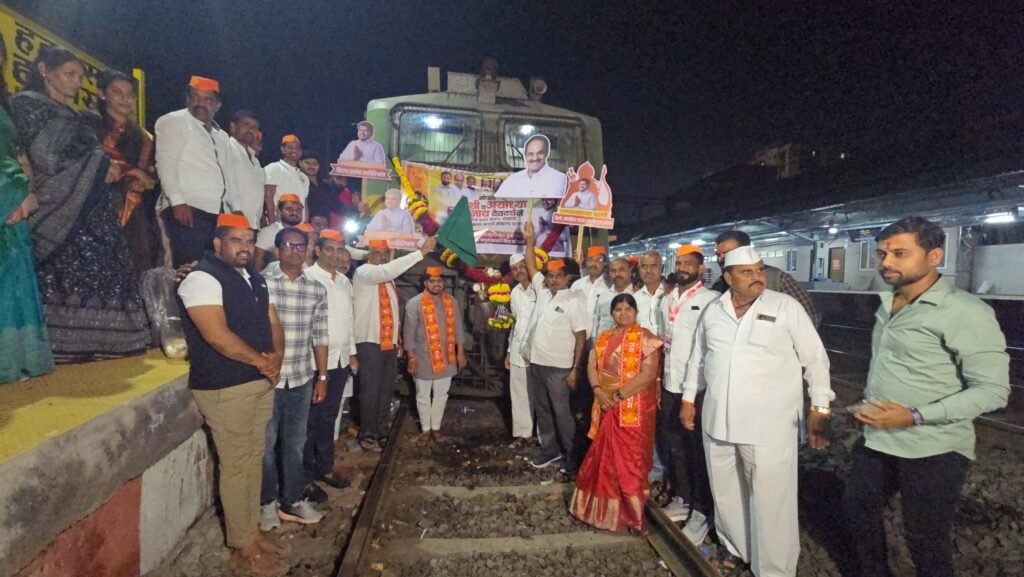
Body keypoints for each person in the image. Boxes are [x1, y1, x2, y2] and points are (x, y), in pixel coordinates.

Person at [843, 217, 1010, 577]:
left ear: (934, 256)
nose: (886, 262)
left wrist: (914, 415)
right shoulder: (889, 302)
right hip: (879, 439)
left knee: (925, 538)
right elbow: (897, 368)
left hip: (934, 448)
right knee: (858, 510)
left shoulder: (964, 312)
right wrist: (864, 403)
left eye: (900, 254)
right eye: (882, 254)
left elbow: (994, 390)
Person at [681, 245, 833, 577]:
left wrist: (820, 406)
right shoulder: (713, 310)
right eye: (747, 272)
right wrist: (689, 399)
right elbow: (698, 359)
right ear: (728, 278)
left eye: (760, 270)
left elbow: (815, 359)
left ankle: (773, 570)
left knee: (771, 502)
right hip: (718, 423)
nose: (757, 277)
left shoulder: (785, 307)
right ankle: (738, 550)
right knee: (727, 494)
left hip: (769, 426)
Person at [9, 46, 150, 362]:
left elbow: (90, 154)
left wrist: (105, 167)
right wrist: (101, 166)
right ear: (44, 70)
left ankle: (106, 343)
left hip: (93, 205)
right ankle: (61, 346)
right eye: (69, 74)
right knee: (60, 276)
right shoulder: (27, 104)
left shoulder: (78, 116)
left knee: (107, 270)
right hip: (57, 205)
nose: (76, 82)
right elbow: (46, 156)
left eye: (80, 76)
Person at [176, 213, 289, 576]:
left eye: (249, 240)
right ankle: (242, 545)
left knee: (252, 460)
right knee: (237, 465)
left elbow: (273, 322)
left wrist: (277, 358)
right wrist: (263, 362)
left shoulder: (254, 278)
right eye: (236, 240)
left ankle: (251, 532)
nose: (245, 247)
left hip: (258, 381)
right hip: (226, 386)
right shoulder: (202, 279)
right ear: (218, 243)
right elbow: (216, 336)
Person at [570, 293, 663, 532]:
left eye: (628, 309)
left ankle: (633, 514)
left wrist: (618, 396)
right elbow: (592, 366)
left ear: (636, 312)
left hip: (633, 407)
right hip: (604, 403)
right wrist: (598, 391)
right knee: (605, 459)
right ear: (612, 313)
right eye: (618, 309)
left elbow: (647, 375)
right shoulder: (603, 337)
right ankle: (603, 512)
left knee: (630, 462)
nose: (623, 314)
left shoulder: (647, 339)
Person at [259, 226, 329, 530]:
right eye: (289, 245)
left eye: (301, 246)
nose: (296, 251)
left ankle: (292, 499)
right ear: (277, 251)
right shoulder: (260, 283)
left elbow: (320, 335)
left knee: (295, 444)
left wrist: (322, 376)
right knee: (264, 446)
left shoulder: (316, 289)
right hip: (267, 379)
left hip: (301, 377)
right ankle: (266, 503)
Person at [0, 35, 54, 383]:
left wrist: (26, 190)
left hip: (13, 197)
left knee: (13, 282)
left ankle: (13, 361)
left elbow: (16, 151)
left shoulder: (5, 104)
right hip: (5, 194)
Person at [352, 236, 437, 451]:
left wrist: (396, 341)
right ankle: (367, 433)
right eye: (376, 253)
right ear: (369, 254)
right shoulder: (364, 273)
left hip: (387, 344)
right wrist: (420, 253)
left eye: (384, 253)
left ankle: (380, 430)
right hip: (369, 342)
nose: (381, 257)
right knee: (370, 390)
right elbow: (386, 271)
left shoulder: (387, 281)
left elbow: (392, 313)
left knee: (385, 389)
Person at [658, 245, 719, 539]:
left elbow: (705, 350)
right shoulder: (667, 299)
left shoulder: (711, 300)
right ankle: (683, 498)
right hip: (671, 383)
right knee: (676, 446)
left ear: (701, 268)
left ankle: (703, 509)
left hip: (697, 388)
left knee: (697, 451)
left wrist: (691, 397)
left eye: (688, 263)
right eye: (679, 263)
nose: (682, 268)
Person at [521, 221, 589, 473]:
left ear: (566, 278)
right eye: (550, 275)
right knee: (543, 411)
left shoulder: (573, 300)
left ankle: (572, 456)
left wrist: (575, 369)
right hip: (537, 363)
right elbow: (531, 265)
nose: (553, 279)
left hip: (560, 368)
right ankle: (550, 452)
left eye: (558, 276)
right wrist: (530, 241)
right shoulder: (542, 292)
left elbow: (581, 337)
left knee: (562, 414)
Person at [301, 229, 357, 503]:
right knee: (309, 421)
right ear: (317, 251)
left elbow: (348, 320)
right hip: (314, 363)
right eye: (330, 249)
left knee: (328, 417)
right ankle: (304, 478)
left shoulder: (344, 282)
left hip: (340, 360)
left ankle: (325, 467)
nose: (336, 255)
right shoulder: (307, 278)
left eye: (340, 249)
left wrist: (352, 352)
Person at [155, 75, 233, 268]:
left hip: (216, 213)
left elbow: (227, 174)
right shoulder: (174, 121)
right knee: (188, 270)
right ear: (187, 99)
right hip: (187, 209)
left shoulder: (221, 135)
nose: (200, 103)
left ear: (217, 105)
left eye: (207, 100)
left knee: (211, 271)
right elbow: (166, 164)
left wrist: (233, 208)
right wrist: (178, 202)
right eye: (195, 97)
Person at [88, 69, 158, 274]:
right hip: (94, 203)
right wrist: (132, 172)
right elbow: (88, 158)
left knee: (135, 262)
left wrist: (145, 180)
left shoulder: (143, 137)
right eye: (117, 92)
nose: (125, 99)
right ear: (102, 94)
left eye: (130, 94)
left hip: (133, 208)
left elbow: (152, 172)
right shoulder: (89, 123)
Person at [404, 266, 467, 442]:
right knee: (422, 395)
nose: (436, 284)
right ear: (425, 283)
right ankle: (425, 429)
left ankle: (436, 428)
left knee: (441, 394)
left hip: (447, 356)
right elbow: (408, 333)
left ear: (443, 282)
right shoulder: (414, 303)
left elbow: (458, 329)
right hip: (423, 357)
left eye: (439, 280)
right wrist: (411, 357)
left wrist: (461, 353)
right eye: (432, 281)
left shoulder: (451, 302)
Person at [712, 230, 820, 328]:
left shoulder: (778, 279)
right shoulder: (719, 285)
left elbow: (809, 318)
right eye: (718, 255)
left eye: (727, 253)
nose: (720, 259)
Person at [504, 253, 536, 449]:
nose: (519, 271)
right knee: (519, 393)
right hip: (517, 349)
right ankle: (524, 434)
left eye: (521, 266)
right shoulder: (514, 293)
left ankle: (544, 435)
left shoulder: (541, 288)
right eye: (514, 269)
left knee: (539, 394)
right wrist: (509, 351)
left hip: (539, 351)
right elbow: (514, 324)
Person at [225, 110, 265, 229]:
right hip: (234, 218)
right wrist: (236, 209)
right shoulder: (227, 148)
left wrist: (260, 216)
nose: (250, 130)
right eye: (246, 125)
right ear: (233, 127)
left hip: (252, 223)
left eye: (254, 127)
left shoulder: (255, 160)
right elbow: (228, 181)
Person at [498, 135, 568, 199]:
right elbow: (496, 202)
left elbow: (549, 204)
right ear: (525, 156)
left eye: (540, 153)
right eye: (530, 154)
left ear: (546, 154)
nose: (535, 158)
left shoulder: (558, 178)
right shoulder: (512, 179)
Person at [263, 134, 308, 224]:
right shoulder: (275, 168)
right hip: (279, 223)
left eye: (297, 148)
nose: (294, 150)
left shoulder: (303, 177)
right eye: (290, 147)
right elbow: (268, 196)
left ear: (301, 152)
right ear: (282, 149)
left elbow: (304, 202)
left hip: (298, 224)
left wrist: (305, 222)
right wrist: (272, 222)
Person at [254, 194, 304, 272]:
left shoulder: (304, 233)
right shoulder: (268, 233)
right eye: (289, 209)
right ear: (278, 212)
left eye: (298, 210)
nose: (294, 212)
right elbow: (258, 264)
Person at [571, 245, 611, 337]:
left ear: (605, 263)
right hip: (577, 336)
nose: (593, 264)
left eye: (598, 260)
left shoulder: (609, 286)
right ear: (586, 262)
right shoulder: (577, 285)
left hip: (600, 337)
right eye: (590, 260)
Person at [592, 258, 634, 345]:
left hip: (629, 347)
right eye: (613, 271)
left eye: (621, 270)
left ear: (630, 271)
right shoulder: (603, 296)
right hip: (604, 346)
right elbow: (596, 321)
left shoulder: (637, 296)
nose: (617, 274)